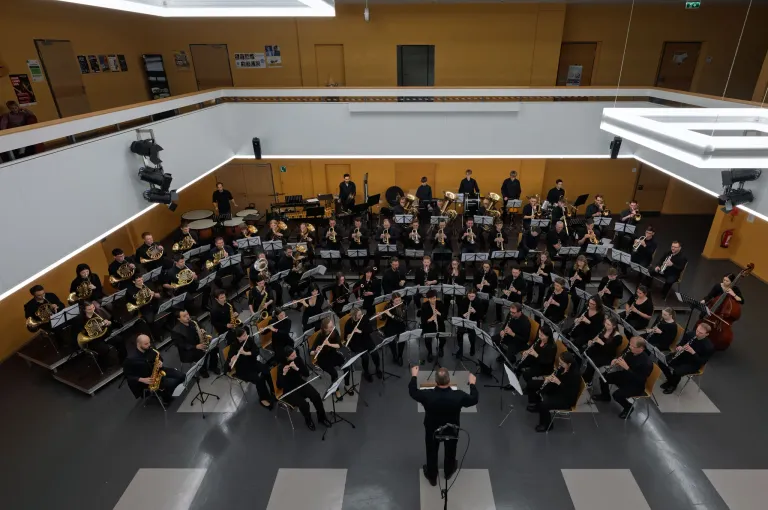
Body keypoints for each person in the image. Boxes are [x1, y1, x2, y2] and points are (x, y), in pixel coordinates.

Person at [408, 365, 478, 486]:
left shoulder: (427, 395)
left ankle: (432, 476)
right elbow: (474, 399)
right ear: (449, 380)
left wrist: (414, 376)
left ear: (436, 381)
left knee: (431, 451)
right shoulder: (459, 396)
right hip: (451, 428)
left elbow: (413, 392)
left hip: (432, 429)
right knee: (451, 450)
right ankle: (448, 471)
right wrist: (472, 383)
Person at [595, 337, 653, 419]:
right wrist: (616, 360)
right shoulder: (630, 350)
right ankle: (605, 396)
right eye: (630, 345)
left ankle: (628, 407)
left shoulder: (646, 363)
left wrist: (627, 368)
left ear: (641, 348)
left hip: (636, 385)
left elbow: (640, 379)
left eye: (633, 346)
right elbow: (622, 355)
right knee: (603, 377)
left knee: (617, 395)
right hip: (625, 376)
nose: (630, 347)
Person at [277, 347, 332, 430]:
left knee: (316, 396)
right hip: (289, 389)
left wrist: (297, 368)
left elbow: (306, 373)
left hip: (300, 383)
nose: (295, 356)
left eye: (295, 353)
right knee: (304, 404)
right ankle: (308, 420)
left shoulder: (297, 359)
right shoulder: (281, 366)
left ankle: (322, 418)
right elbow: (279, 385)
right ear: (287, 357)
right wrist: (284, 374)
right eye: (292, 356)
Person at [526, 352, 581, 432]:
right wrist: (550, 378)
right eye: (559, 362)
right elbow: (558, 376)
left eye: (562, 363)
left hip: (566, 398)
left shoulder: (575, 375)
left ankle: (546, 425)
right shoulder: (563, 367)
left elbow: (570, 393)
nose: (560, 364)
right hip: (558, 389)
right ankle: (537, 406)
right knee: (534, 385)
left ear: (569, 364)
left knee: (545, 403)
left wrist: (558, 382)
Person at [124, 334, 185, 404]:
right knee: (170, 384)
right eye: (146, 344)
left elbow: (160, 358)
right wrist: (142, 379)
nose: (149, 345)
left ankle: (166, 392)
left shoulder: (150, 348)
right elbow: (128, 376)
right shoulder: (130, 359)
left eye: (149, 342)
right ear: (138, 344)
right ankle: (165, 398)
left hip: (159, 371)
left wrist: (160, 362)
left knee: (182, 376)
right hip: (147, 380)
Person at [226, 327, 275, 409]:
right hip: (243, 369)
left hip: (253, 363)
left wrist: (245, 353)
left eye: (246, 334)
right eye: (244, 335)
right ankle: (263, 398)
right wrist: (232, 360)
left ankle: (273, 390)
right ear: (238, 338)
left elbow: (256, 352)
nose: (246, 336)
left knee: (267, 371)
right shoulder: (234, 345)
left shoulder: (249, 340)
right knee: (259, 379)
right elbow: (228, 363)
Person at [660, 323, 713, 394]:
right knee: (661, 361)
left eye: (701, 333)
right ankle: (670, 380)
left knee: (677, 371)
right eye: (697, 330)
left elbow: (702, 362)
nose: (697, 333)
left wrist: (693, 352)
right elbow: (681, 343)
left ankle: (673, 385)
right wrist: (679, 347)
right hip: (682, 355)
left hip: (693, 363)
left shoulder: (708, 347)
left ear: (707, 334)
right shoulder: (691, 334)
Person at [171, 310, 220, 378]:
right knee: (202, 353)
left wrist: (202, 329)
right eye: (184, 316)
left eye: (187, 314)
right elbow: (181, 345)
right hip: (188, 350)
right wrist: (196, 346)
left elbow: (201, 325)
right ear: (179, 319)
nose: (188, 317)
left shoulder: (193, 319)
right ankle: (203, 371)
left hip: (199, 342)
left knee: (214, 347)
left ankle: (213, 366)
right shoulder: (176, 331)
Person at [75, 302, 126, 366]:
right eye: (89, 309)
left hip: (103, 335)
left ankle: (123, 360)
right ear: (84, 310)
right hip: (93, 340)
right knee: (104, 349)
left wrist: (109, 323)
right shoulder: (80, 319)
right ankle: (103, 365)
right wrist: (94, 328)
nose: (93, 310)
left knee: (119, 339)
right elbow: (82, 332)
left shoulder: (97, 314)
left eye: (93, 307)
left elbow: (108, 329)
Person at [311, 317, 348, 399]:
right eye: (330, 327)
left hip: (333, 354)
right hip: (323, 359)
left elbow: (339, 345)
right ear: (325, 328)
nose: (333, 327)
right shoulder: (320, 336)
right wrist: (316, 351)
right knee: (334, 373)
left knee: (346, 365)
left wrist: (329, 344)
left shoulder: (334, 331)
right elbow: (310, 352)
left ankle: (347, 384)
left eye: (333, 325)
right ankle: (336, 390)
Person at [344, 307, 382, 381]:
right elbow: (345, 337)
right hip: (356, 343)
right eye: (359, 315)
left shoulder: (364, 318)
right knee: (365, 357)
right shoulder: (348, 323)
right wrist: (348, 336)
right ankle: (366, 372)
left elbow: (370, 330)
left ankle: (377, 368)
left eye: (361, 314)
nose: (361, 316)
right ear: (354, 316)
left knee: (375, 353)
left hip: (366, 338)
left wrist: (360, 331)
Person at [581, 316, 623, 384]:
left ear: (614, 326)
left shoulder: (618, 337)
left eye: (608, 324)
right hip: (599, 349)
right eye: (605, 323)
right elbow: (596, 341)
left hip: (607, 356)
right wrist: (591, 342)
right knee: (584, 350)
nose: (606, 325)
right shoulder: (604, 329)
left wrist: (602, 343)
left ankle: (587, 380)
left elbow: (610, 350)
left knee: (592, 361)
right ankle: (583, 373)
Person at [455, 288, 487, 357]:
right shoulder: (464, 300)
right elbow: (459, 312)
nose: (470, 298)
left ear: (475, 295)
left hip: (474, 321)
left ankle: (472, 347)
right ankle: (460, 349)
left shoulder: (479, 302)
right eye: (469, 296)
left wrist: (475, 312)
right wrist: (463, 314)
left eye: (472, 296)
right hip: (464, 320)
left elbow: (481, 316)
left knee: (472, 336)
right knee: (459, 333)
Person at [382, 293, 408, 365]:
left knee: (402, 340)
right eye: (396, 300)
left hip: (400, 325)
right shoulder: (388, 305)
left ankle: (400, 356)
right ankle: (394, 355)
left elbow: (401, 319)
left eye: (399, 300)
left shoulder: (403, 305)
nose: (398, 302)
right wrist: (380, 316)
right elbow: (384, 318)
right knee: (391, 341)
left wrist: (390, 315)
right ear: (392, 300)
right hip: (390, 325)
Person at [421, 289, 447, 361]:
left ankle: (441, 348)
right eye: (431, 299)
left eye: (434, 298)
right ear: (428, 299)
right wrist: (430, 319)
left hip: (440, 324)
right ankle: (430, 352)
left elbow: (445, 317)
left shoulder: (440, 303)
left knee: (443, 340)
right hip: (429, 326)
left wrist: (439, 314)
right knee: (428, 340)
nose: (433, 300)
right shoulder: (424, 306)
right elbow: (423, 321)